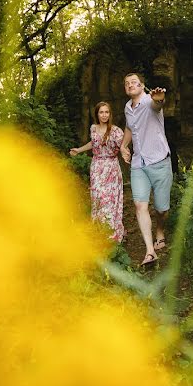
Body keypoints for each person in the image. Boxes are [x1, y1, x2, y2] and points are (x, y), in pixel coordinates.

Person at [120, 73, 172, 266]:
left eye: (134, 82)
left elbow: (158, 104)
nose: (130, 85)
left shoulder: (150, 102)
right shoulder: (127, 108)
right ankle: (150, 251)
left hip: (159, 161)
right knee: (140, 206)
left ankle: (160, 231)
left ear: (142, 86)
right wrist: (124, 146)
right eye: (127, 83)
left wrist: (159, 99)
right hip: (138, 165)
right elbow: (129, 128)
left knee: (161, 209)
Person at [70, 102, 125, 243]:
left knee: (110, 200)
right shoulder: (93, 128)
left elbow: (123, 146)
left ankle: (112, 235)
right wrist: (79, 150)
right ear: (97, 114)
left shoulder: (116, 131)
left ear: (110, 114)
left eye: (107, 112)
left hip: (111, 168)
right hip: (96, 167)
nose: (104, 115)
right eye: (101, 112)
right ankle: (99, 232)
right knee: (98, 198)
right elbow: (93, 143)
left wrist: (126, 154)